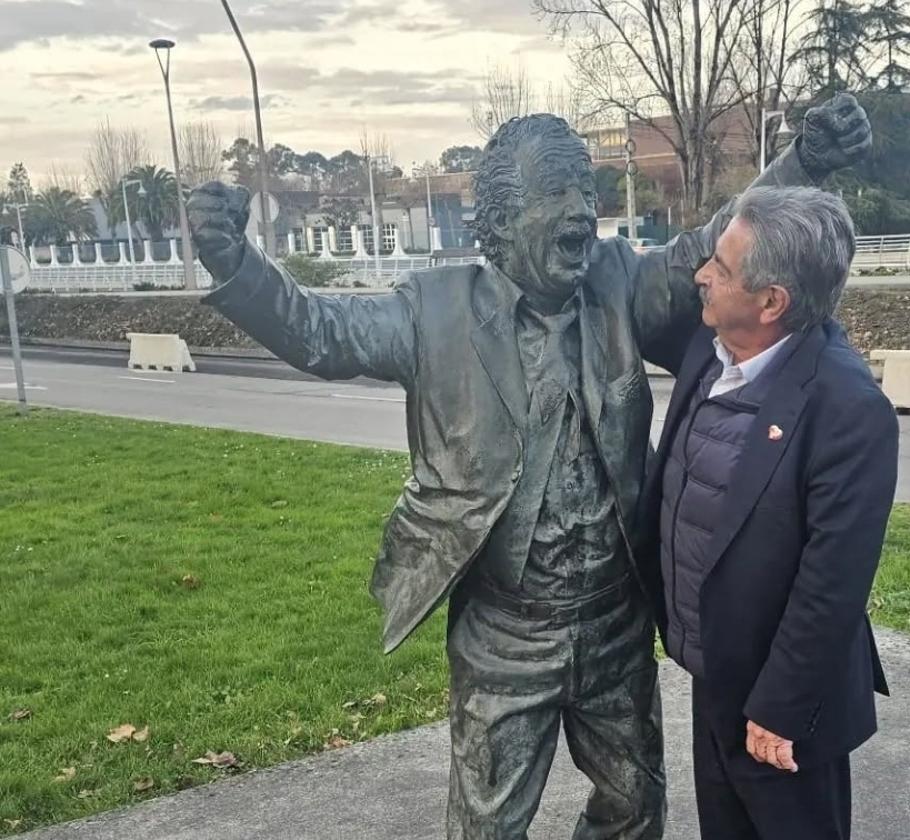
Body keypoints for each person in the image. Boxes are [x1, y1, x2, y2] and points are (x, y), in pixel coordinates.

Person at [186, 98, 872, 840]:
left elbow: (715, 244)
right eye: (557, 194)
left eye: (585, 191)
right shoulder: (432, 313)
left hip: (615, 620)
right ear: (505, 220)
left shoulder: (616, 282)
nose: (583, 212)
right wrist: (235, 262)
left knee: (635, 808)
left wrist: (805, 161)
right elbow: (319, 332)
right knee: (488, 825)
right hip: (504, 636)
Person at [635, 186, 899, 839]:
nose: (702, 276)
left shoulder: (846, 408)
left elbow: (831, 585)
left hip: (783, 706)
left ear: (771, 301)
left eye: (720, 269)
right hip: (714, 672)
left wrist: (779, 709)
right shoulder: (708, 348)